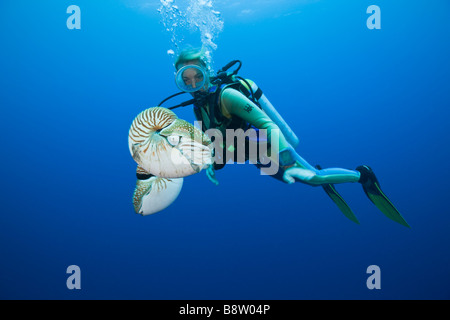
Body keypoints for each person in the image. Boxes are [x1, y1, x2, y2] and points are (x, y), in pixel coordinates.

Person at [158, 47, 409, 227]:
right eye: (186, 80)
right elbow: (211, 139)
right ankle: (319, 173)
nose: (194, 84)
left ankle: (362, 176)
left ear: (206, 71)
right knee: (299, 180)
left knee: (312, 180)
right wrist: (211, 162)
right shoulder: (198, 106)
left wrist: (285, 154)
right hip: (252, 154)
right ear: (179, 81)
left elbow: (267, 123)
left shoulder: (227, 96)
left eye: (198, 76)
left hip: (267, 147)